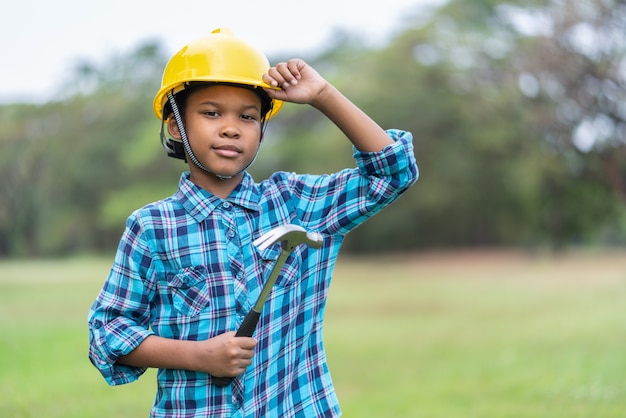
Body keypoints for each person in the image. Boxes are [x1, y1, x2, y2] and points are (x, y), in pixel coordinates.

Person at [88, 28, 418, 417]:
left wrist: (322, 95)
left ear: (262, 129)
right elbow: (107, 334)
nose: (231, 127)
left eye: (248, 117)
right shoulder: (152, 226)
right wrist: (199, 356)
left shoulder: (298, 204)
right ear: (175, 124)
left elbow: (392, 173)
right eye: (211, 113)